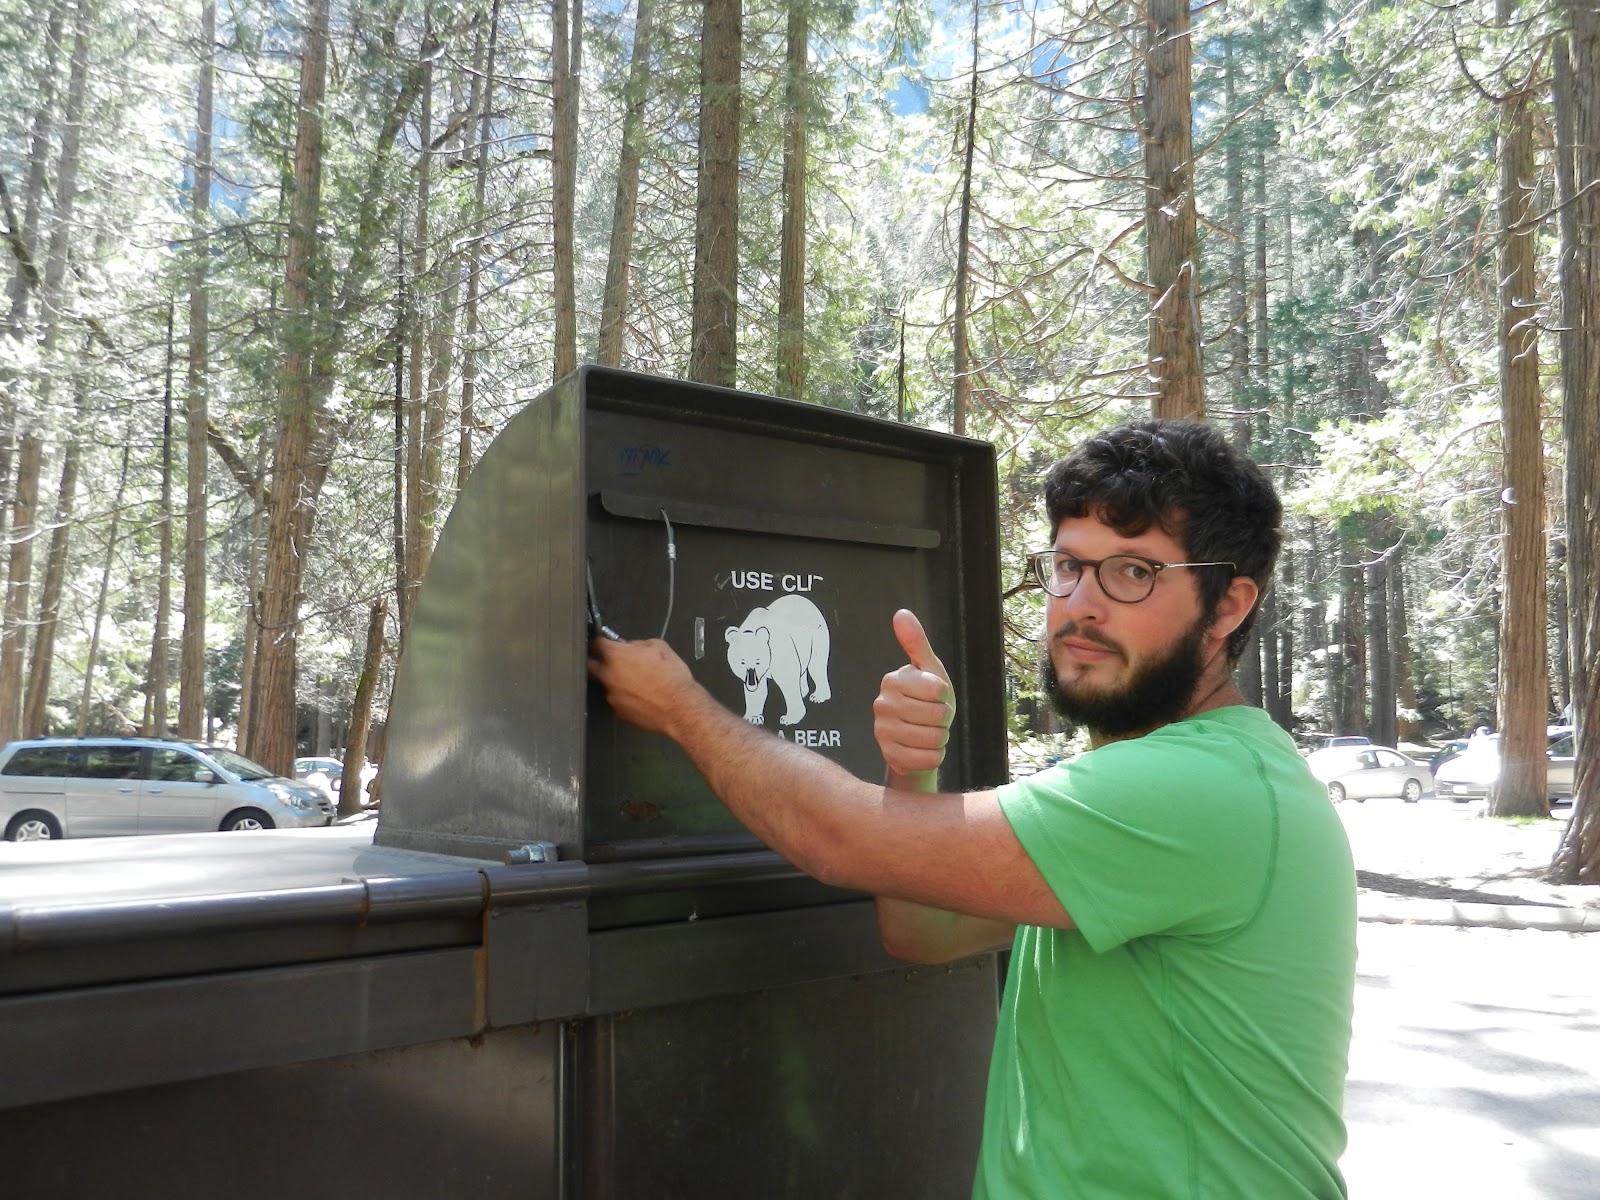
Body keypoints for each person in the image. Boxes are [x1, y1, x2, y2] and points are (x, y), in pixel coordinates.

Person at [589, 419, 1356, 1199]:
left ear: (1227, 606)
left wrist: (682, 708)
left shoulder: (1199, 790)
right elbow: (924, 931)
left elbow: (838, 840)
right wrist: (910, 774)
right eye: (1068, 565)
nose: (1080, 605)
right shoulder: (1152, 779)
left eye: (1132, 573)